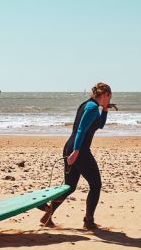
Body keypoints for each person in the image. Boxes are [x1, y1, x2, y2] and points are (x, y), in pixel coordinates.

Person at [39, 82, 114, 231]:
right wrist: (76, 152)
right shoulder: (92, 108)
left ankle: (47, 213)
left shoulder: (88, 105)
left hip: (72, 147)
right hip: (79, 150)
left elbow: (99, 125)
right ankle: (89, 221)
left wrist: (105, 110)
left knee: (70, 186)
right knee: (96, 185)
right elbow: (81, 130)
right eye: (109, 98)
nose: (110, 100)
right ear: (105, 95)